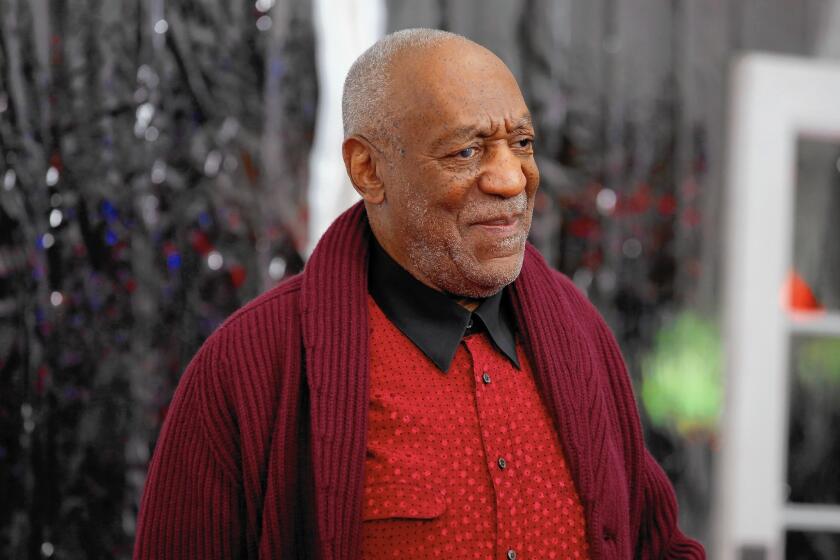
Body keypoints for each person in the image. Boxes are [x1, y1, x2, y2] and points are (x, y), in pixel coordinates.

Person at [134, 28, 705, 560]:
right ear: (368, 169)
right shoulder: (252, 363)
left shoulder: (578, 336)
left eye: (522, 142)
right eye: (467, 151)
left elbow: (656, 544)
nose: (511, 179)